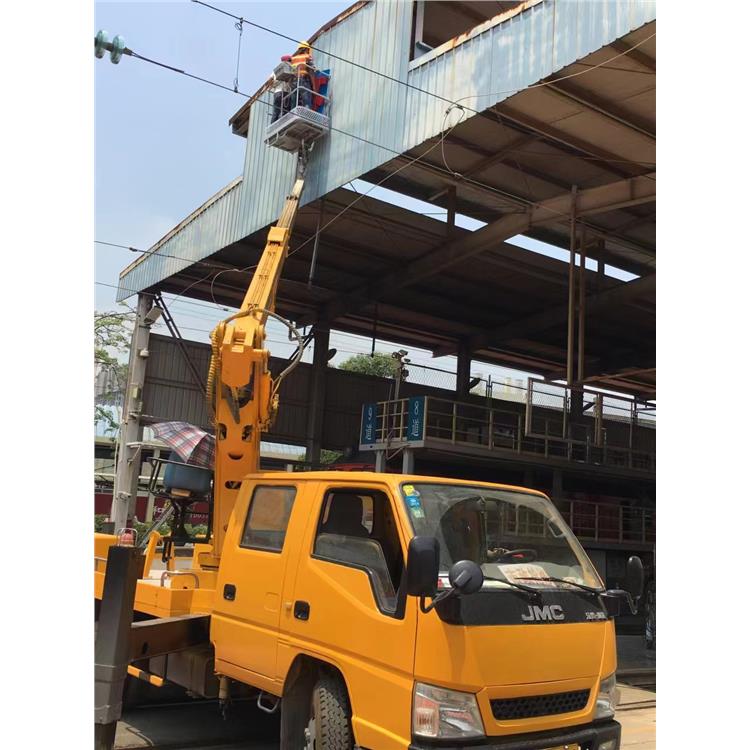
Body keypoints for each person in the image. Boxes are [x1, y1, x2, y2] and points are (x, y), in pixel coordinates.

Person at [290, 41, 316, 110]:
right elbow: (311, 71)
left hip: (294, 82)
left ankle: (293, 113)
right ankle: (307, 114)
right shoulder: (307, 57)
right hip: (303, 80)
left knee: (294, 102)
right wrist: (314, 86)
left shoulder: (293, 59)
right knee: (306, 100)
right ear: (306, 49)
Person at [271, 54, 292, 122]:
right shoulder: (287, 68)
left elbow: (270, 81)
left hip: (277, 93)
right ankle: (282, 124)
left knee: (276, 112)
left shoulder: (275, 71)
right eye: (290, 61)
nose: (291, 62)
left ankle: (273, 127)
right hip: (284, 92)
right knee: (285, 111)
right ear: (287, 61)